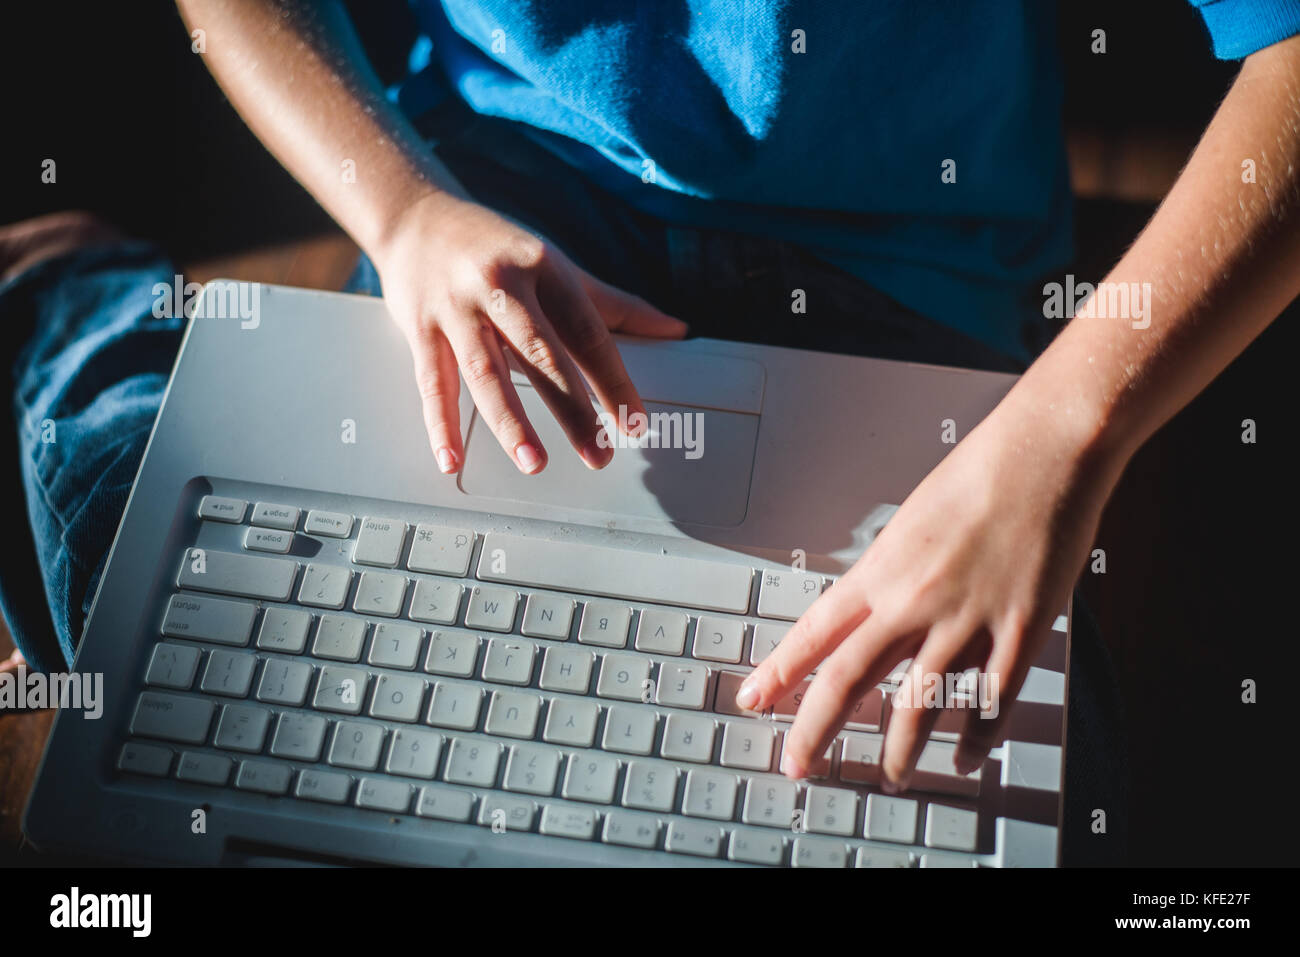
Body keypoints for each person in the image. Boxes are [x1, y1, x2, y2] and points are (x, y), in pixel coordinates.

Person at [3, 1, 1298, 864]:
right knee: (200, 737)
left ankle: (73, 329)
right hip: (495, 240)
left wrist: (1063, 437)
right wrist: (398, 209)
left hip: (906, 295)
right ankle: (73, 316)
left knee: (1003, 814)